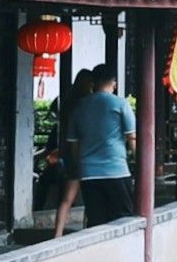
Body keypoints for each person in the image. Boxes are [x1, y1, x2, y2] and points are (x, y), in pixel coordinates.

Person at [51, 65, 136, 234]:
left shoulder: (79, 107)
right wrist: (139, 163)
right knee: (124, 219)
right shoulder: (120, 104)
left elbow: (74, 145)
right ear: (114, 83)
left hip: (88, 173)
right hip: (116, 171)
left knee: (96, 221)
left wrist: (81, 165)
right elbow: (132, 138)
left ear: (94, 82)